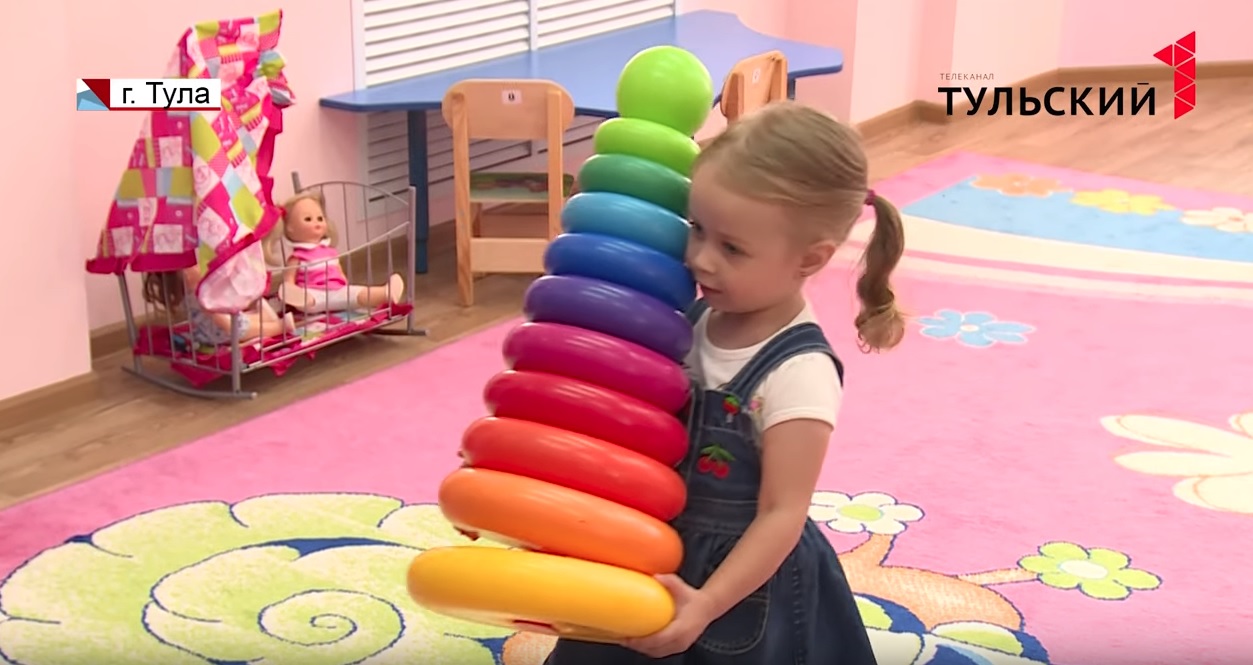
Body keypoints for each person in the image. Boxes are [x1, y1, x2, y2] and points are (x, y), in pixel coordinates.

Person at [544, 101, 906, 664]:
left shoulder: (799, 372)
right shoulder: (682, 319)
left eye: (731, 248)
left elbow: (783, 512)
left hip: (733, 589)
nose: (701, 259)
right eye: (696, 229)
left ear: (810, 259)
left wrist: (708, 603)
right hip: (642, 543)